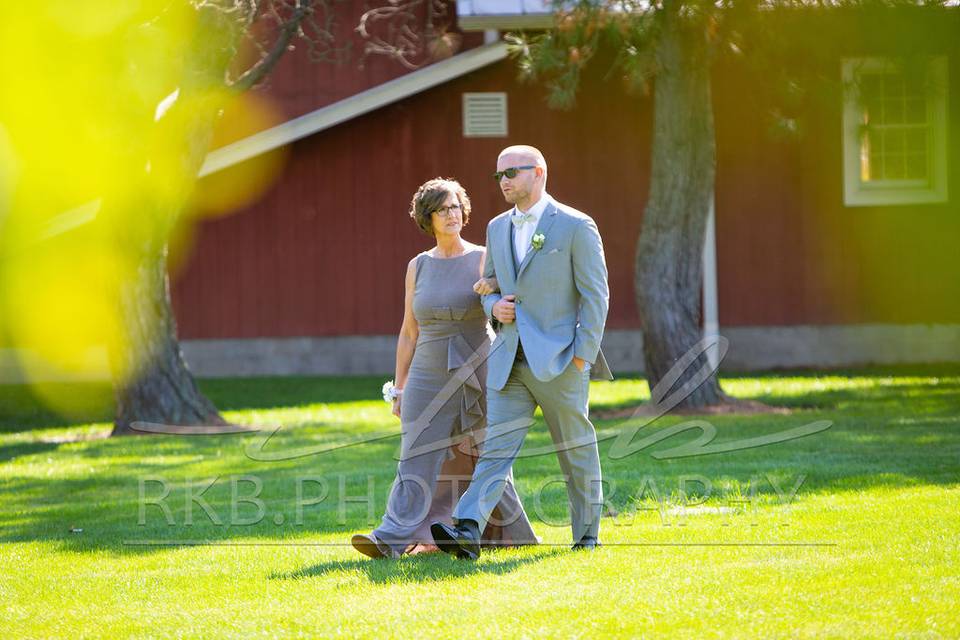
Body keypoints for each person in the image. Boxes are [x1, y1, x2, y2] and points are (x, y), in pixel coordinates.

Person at [431, 145, 613, 560]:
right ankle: (468, 529)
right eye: (499, 175)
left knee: (575, 449)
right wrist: (492, 307)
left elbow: (595, 296)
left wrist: (582, 357)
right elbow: (488, 285)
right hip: (508, 359)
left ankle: (586, 535)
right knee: (496, 449)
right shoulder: (497, 227)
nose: (504, 181)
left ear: (539, 172)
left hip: (562, 360)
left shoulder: (575, 225)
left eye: (512, 172)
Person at [351, 177, 539, 559]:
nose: (450, 214)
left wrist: (495, 293)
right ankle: (389, 538)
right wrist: (399, 387)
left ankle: (510, 533)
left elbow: (512, 305)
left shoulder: (486, 256)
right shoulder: (417, 266)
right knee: (415, 453)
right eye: (442, 209)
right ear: (428, 218)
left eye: (455, 206)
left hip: (478, 365)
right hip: (426, 370)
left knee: (485, 452)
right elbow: (408, 331)